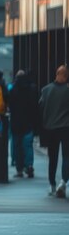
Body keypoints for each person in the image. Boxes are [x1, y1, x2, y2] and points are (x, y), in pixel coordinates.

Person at [39, 64, 69, 197]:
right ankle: (63, 181)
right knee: (66, 156)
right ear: (66, 76)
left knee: (53, 157)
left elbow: (40, 108)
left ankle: (51, 183)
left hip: (50, 128)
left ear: (56, 74)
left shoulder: (46, 90)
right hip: (65, 127)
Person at [8, 70, 38, 179]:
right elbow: (35, 106)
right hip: (28, 122)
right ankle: (29, 165)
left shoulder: (13, 89)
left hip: (16, 123)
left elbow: (10, 105)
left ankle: (19, 169)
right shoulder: (31, 88)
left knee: (17, 146)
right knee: (28, 146)